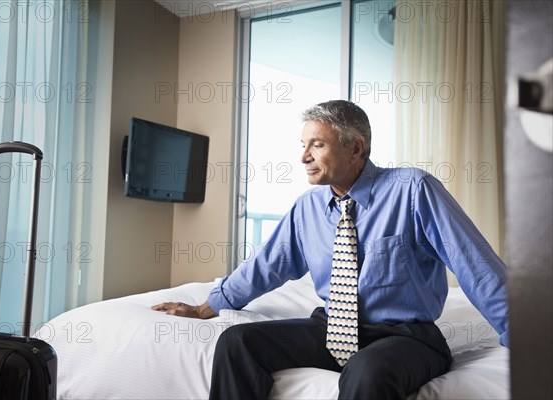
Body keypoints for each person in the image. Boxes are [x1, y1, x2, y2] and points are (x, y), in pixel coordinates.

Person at [152, 100, 509, 400]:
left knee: (366, 370)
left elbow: (474, 265)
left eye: (317, 145)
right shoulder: (307, 208)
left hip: (406, 336)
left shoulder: (413, 189)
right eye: (303, 145)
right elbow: (266, 266)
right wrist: (207, 306)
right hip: (331, 329)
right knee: (237, 341)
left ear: (355, 148)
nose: (304, 156)